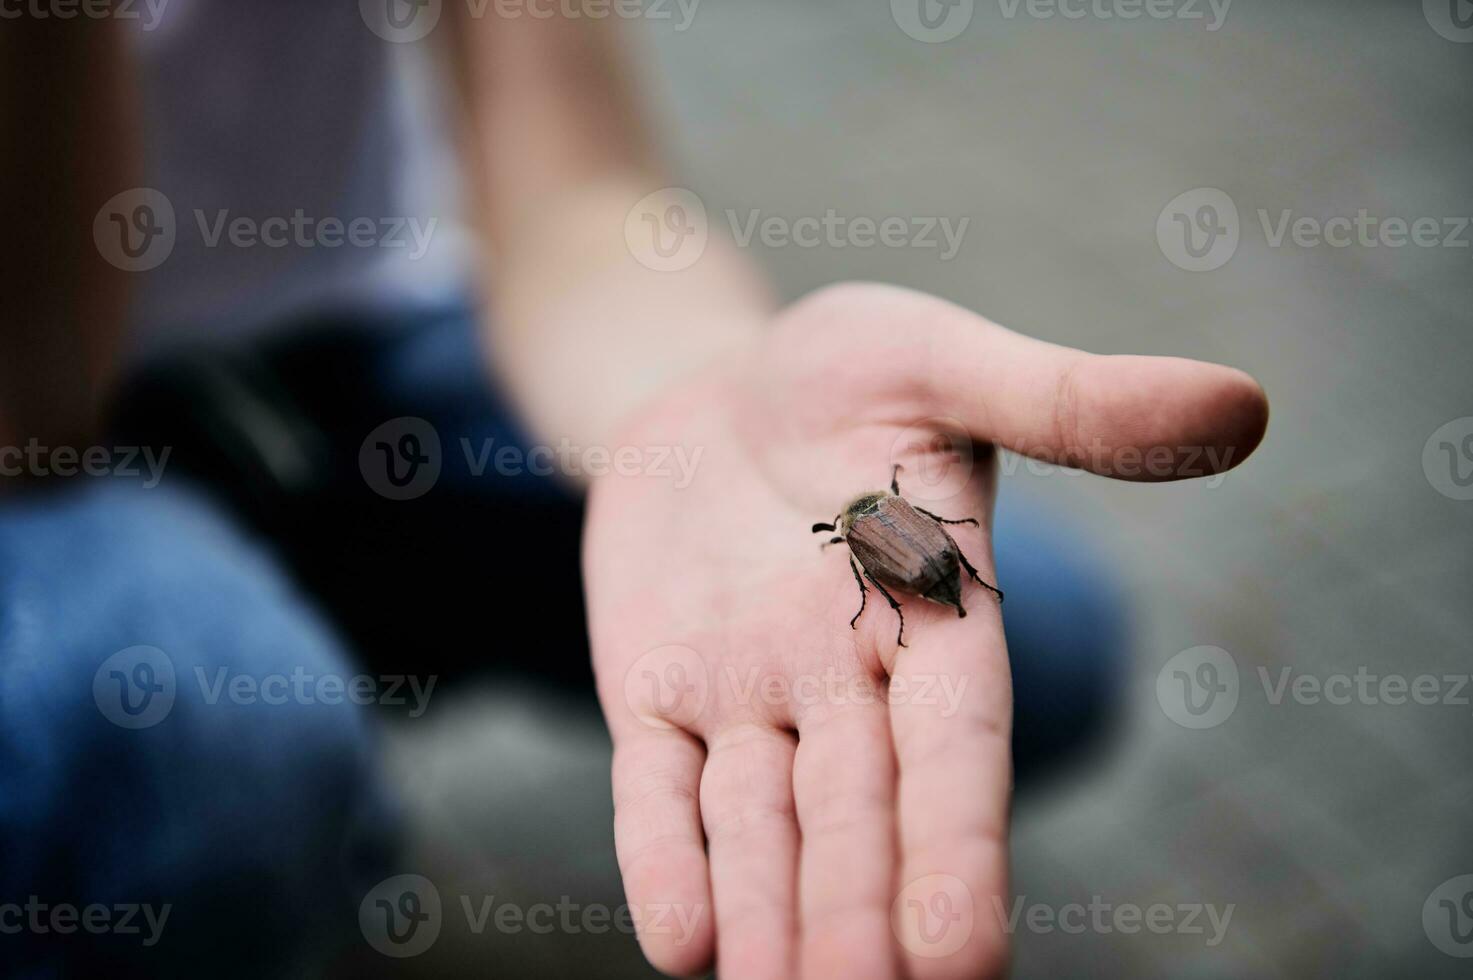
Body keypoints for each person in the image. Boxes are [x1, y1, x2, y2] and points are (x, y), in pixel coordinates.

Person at [0, 4, 1269, 977]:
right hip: (54, 440)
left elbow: (580, 195)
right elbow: (31, 409)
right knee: (211, 744)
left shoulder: (865, 533)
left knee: (1025, 636)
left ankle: (343, 638)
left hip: (377, 350)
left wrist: (706, 391)